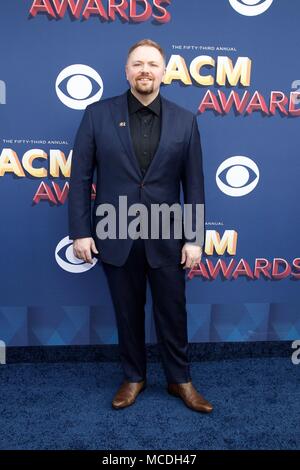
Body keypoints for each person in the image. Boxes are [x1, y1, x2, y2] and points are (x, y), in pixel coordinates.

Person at [68, 39, 213, 413]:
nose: (144, 70)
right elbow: (81, 178)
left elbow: (194, 185)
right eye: (137, 64)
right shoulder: (97, 114)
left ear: (164, 72)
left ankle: (180, 380)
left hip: (167, 236)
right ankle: (134, 376)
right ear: (126, 70)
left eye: (152, 64)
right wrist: (82, 231)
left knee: (172, 311)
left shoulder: (186, 119)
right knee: (127, 311)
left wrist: (194, 238)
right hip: (115, 234)